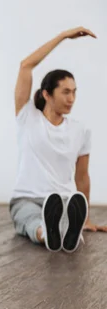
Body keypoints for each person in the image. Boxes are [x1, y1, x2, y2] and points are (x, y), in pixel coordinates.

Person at [10, 27, 107, 252]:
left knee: (65, 219)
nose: (71, 98)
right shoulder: (27, 117)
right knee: (30, 220)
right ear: (46, 94)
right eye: (65, 92)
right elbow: (26, 65)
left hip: (64, 201)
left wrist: (86, 219)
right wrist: (63, 36)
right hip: (28, 199)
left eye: (74, 92)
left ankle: (67, 230)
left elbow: (82, 177)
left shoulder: (80, 130)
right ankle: (47, 234)